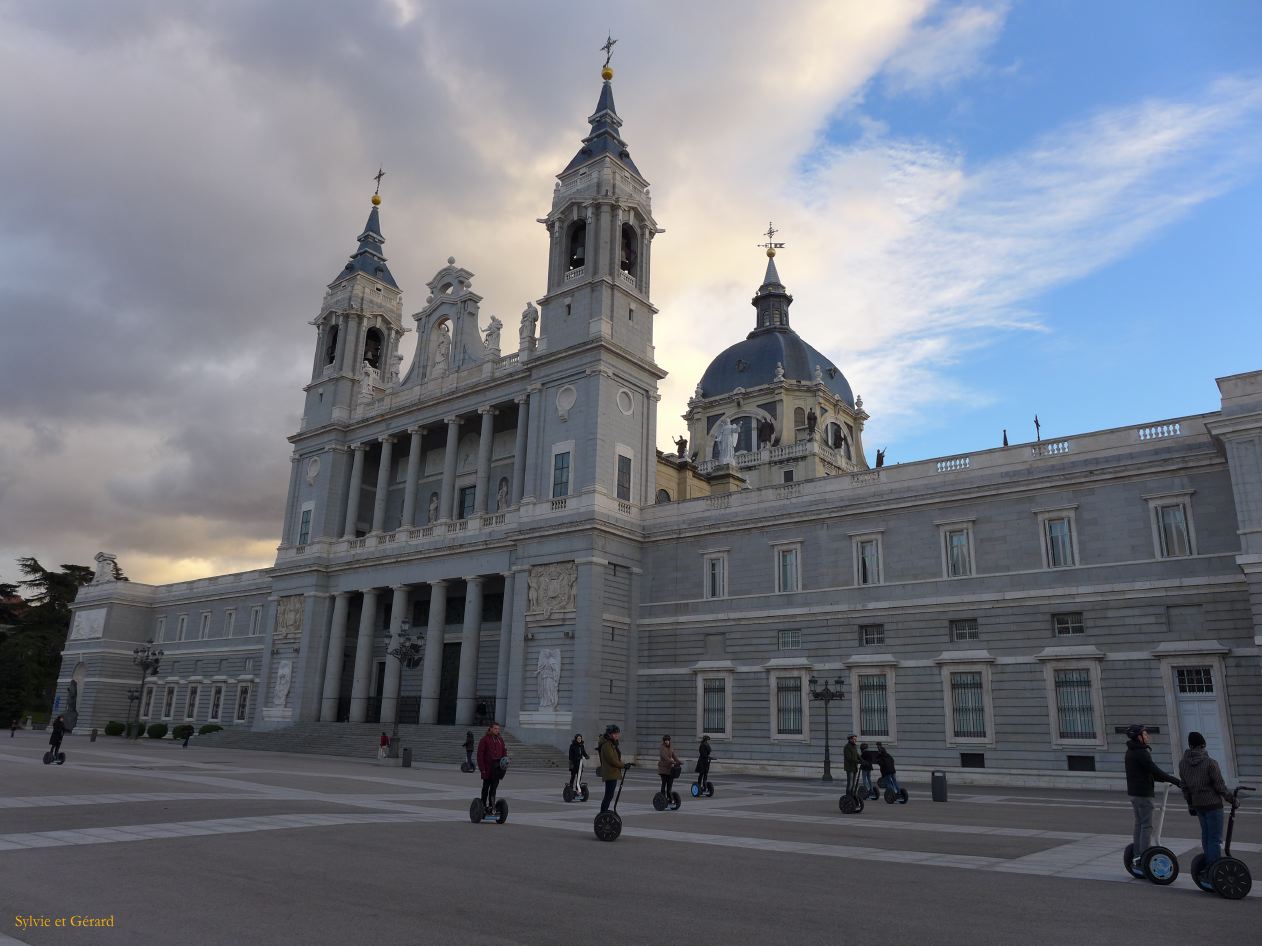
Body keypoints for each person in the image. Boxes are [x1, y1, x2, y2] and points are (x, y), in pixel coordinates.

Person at [1124, 723, 1182, 868]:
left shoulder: (1131, 751)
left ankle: (1137, 855)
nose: (1147, 736)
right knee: (1146, 826)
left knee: (1139, 824)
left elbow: (1149, 773)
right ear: (1139, 737)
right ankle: (1144, 857)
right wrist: (1176, 781)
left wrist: (1168, 780)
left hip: (1134, 793)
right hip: (1143, 794)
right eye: (1144, 734)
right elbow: (1154, 771)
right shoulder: (1141, 752)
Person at [1178, 731, 1233, 869]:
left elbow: (1184, 787)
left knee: (1206, 836)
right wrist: (1232, 800)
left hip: (1198, 805)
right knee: (1214, 839)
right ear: (1203, 745)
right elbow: (1220, 786)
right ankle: (1215, 869)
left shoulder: (1182, 764)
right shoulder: (1210, 763)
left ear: (1190, 746)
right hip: (1213, 805)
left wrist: (1190, 804)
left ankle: (1209, 866)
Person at [476, 722, 508, 808]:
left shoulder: (500, 740)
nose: (497, 730)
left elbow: (504, 752)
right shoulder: (485, 740)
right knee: (485, 788)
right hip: (487, 769)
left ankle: (491, 805)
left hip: (497, 769)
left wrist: (505, 762)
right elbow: (480, 755)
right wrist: (482, 768)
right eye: (495, 728)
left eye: (498, 729)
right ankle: (482, 805)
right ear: (490, 729)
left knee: (493, 789)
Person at [597, 724, 625, 812]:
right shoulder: (607, 745)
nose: (617, 735)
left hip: (612, 772)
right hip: (610, 773)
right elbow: (612, 760)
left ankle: (604, 811)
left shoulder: (611, 744)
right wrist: (623, 765)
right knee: (608, 795)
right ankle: (603, 812)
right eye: (615, 734)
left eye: (618, 733)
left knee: (609, 795)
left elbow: (615, 758)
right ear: (609, 734)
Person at [657, 735, 682, 800]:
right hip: (663, 769)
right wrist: (671, 761)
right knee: (664, 784)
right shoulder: (662, 747)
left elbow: (674, 755)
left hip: (670, 769)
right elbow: (664, 756)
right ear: (664, 741)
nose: (667, 741)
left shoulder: (671, 747)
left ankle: (669, 797)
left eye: (668, 740)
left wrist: (679, 761)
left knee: (669, 784)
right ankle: (662, 798)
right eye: (665, 740)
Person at [843, 734, 862, 800]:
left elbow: (857, 754)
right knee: (850, 783)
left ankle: (852, 796)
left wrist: (862, 760)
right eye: (854, 739)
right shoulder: (847, 747)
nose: (855, 740)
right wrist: (858, 761)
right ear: (850, 739)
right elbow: (849, 758)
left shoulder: (854, 746)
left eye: (855, 739)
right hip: (849, 768)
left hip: (854, 767)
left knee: (854, 783)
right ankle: (848, 797)